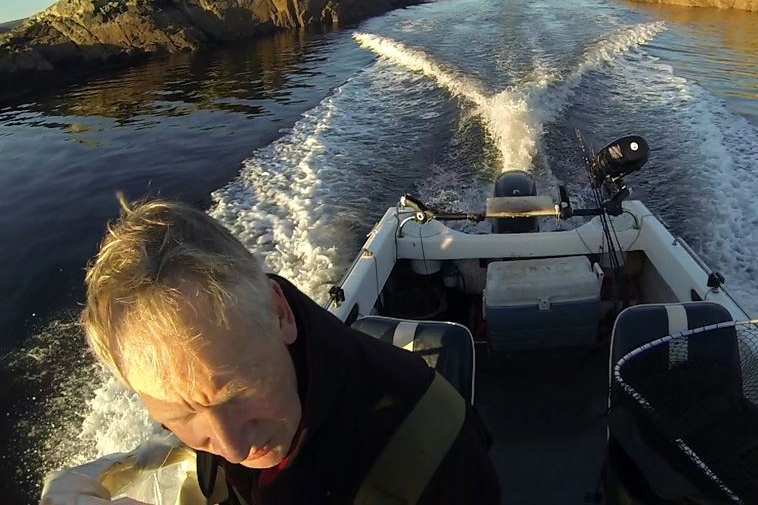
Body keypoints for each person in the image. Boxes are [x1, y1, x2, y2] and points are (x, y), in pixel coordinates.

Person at [74, 197, 501, 504]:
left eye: (239, 393)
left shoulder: (438, 458)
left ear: (280, 315)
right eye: (181, 417)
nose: (233, 448)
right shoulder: (225, 407)